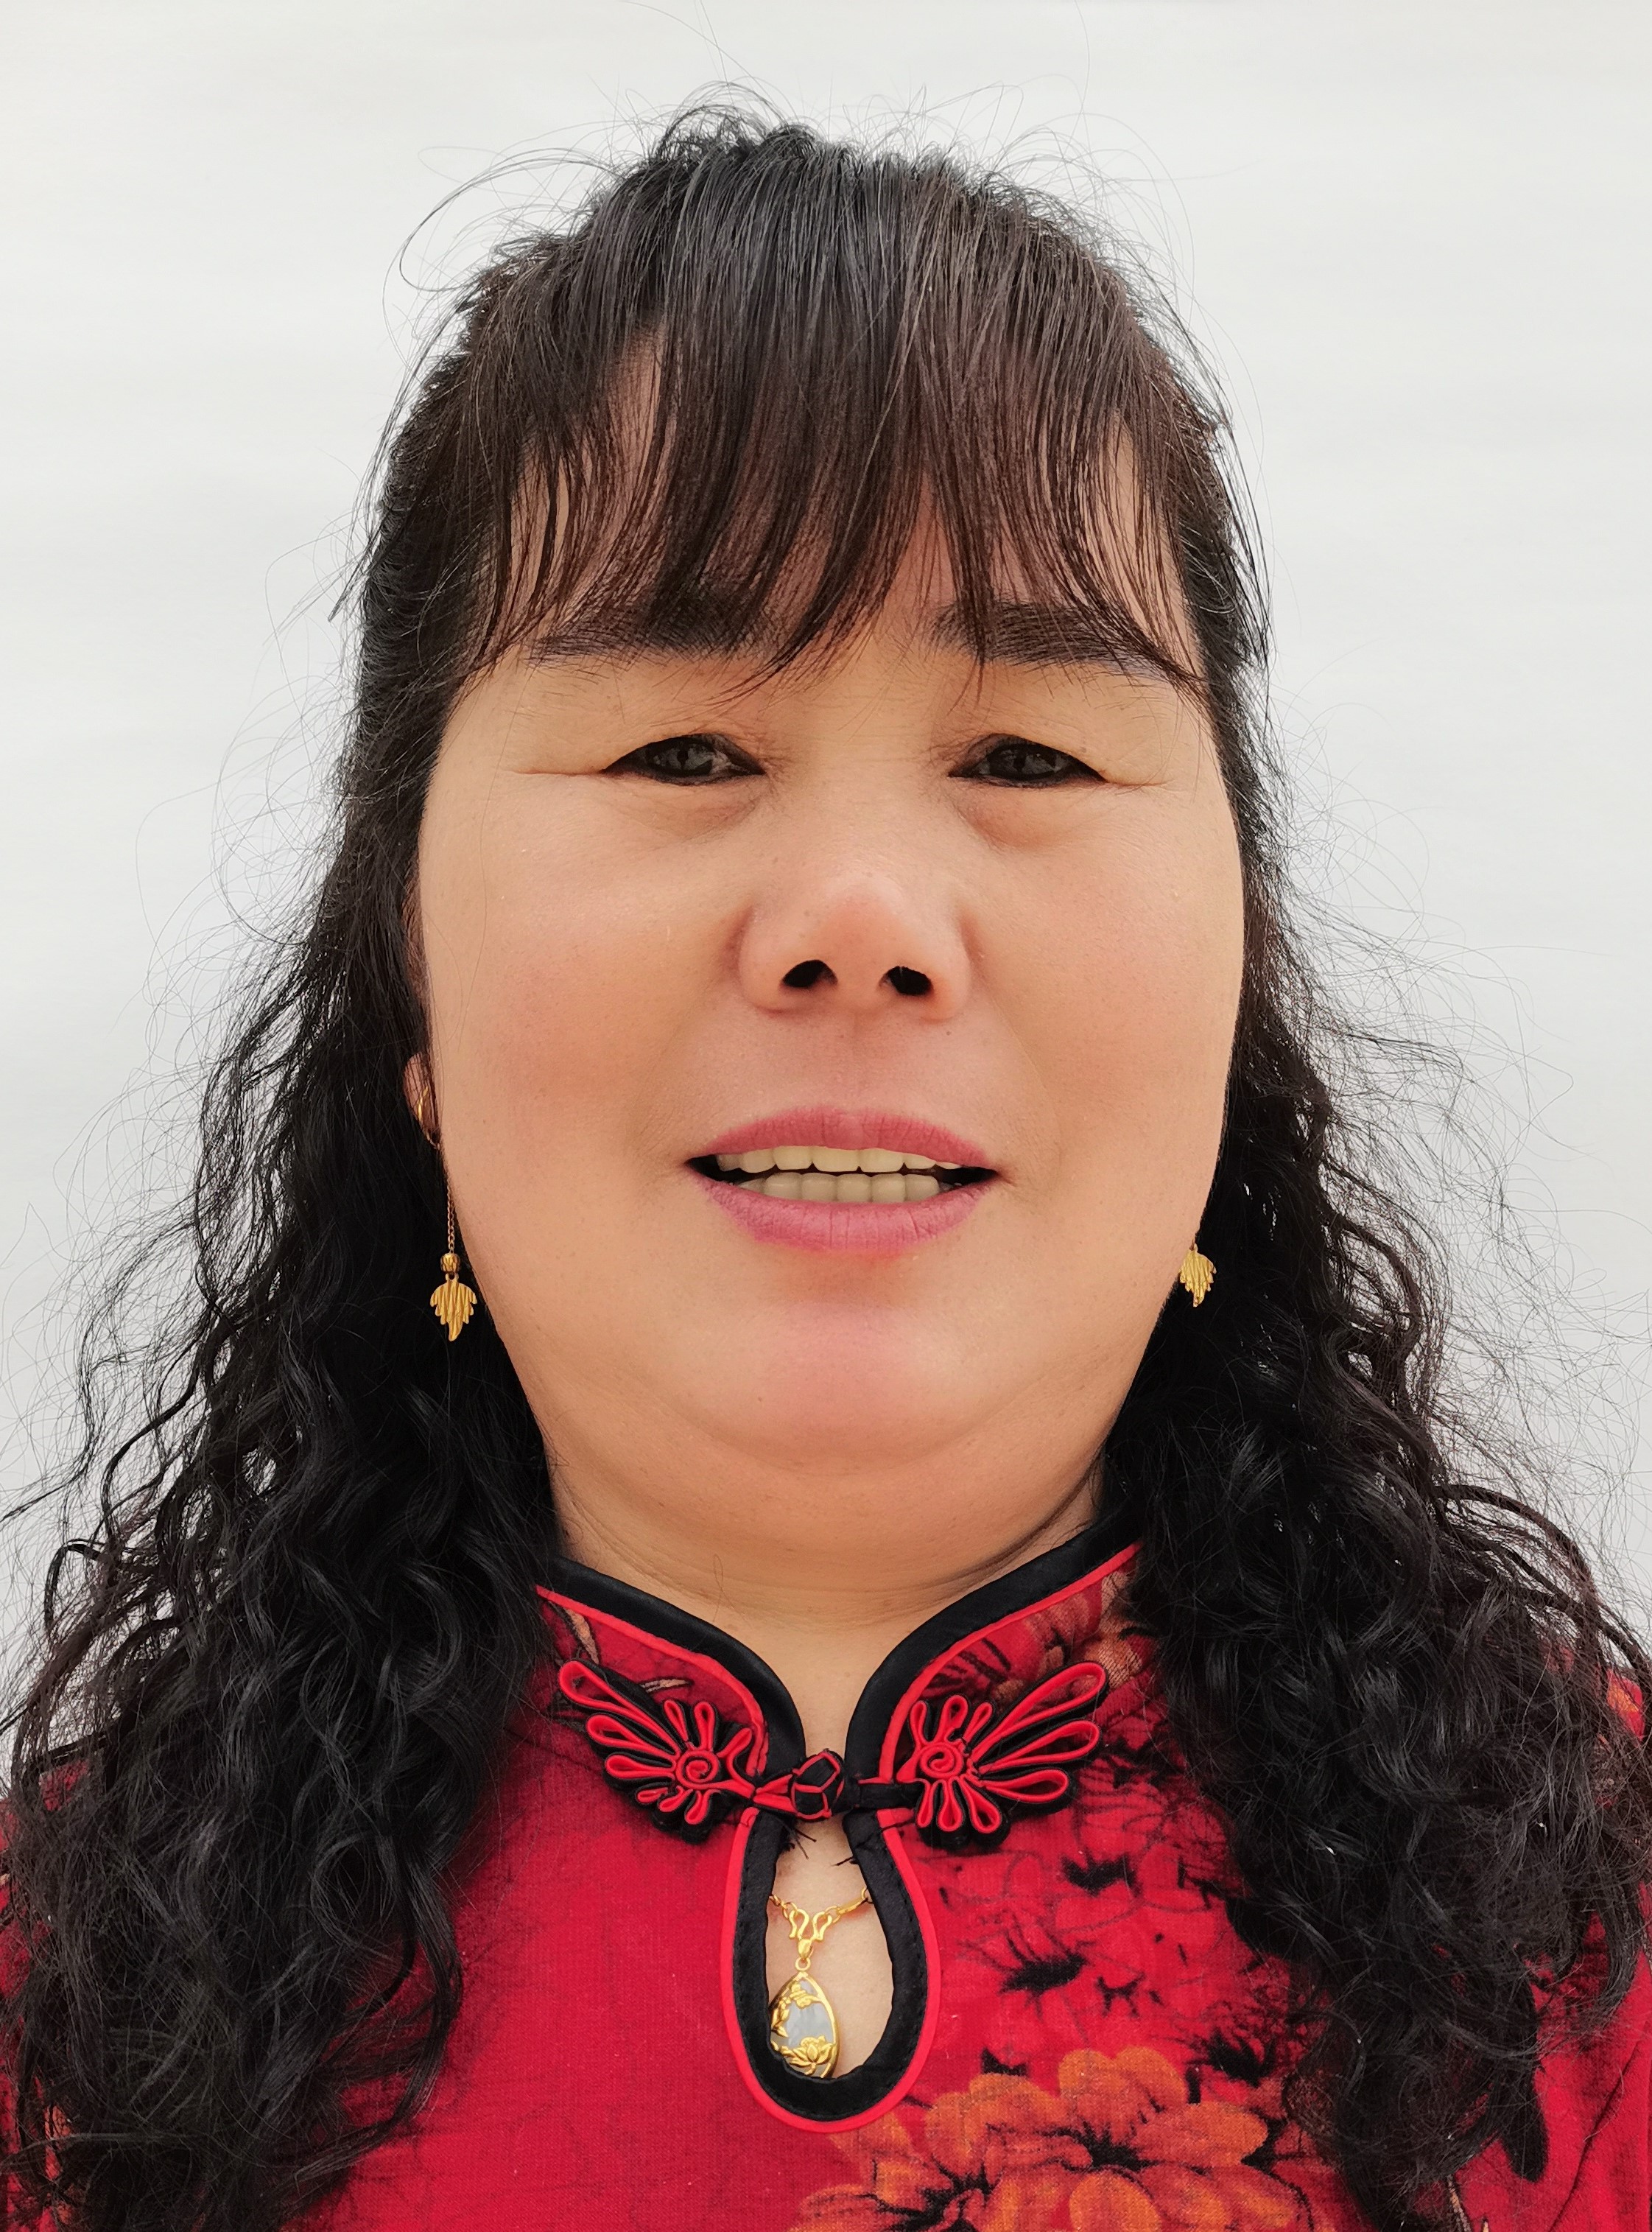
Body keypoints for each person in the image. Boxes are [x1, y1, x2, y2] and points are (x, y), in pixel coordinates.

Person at [2, 105, 1648, 2232]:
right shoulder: (66, 2018)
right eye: (683, 750)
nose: (860, 917)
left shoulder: (1596, 1939)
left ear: (1236, 984)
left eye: (1029, 754)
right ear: (406, 991)